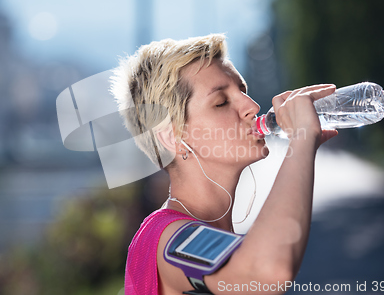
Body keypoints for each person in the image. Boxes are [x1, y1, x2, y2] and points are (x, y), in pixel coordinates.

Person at [111, 34, 338, 295]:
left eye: (242, 91)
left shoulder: (212, 235)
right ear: (173, 137)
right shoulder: (166, 236)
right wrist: (301, 141)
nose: (252, 106)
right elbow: (268, 273)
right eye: (221, 102)